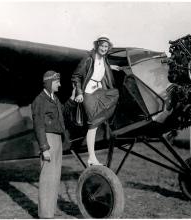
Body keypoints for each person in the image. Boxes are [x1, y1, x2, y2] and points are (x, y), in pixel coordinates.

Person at [31, 70, 75, 219]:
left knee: (55, 176)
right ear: (50, 83)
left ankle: (51, 210)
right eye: (57, 82)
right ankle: (45, 214)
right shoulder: (40, 100)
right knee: (47, 177)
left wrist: (72, 99)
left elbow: (62, 112)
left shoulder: (54, 99)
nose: (60, 85)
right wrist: (44, 148)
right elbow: (38, 125)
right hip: (48, 140)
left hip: (57, 139)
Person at [72, 35, 120, 166]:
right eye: (102, 46)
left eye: (106, 47)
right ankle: (91, 157)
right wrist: (79, 93)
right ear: (97, 46)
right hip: (88, 93)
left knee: (115, 94)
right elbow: (76, 76)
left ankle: (93, 155)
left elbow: (102, 70)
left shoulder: (104, 59)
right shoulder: (88, 59)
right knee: (92, 125)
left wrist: (112, 68)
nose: (104, 49)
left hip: (99, 91)